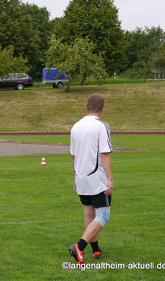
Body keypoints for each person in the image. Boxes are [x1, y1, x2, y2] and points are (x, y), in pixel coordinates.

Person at [69, 93, 114, 264]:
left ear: (86, 106)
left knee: (89, 214)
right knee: (103, 216)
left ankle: (96, 251)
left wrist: (75, 177)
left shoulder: (75, 126)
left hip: (81, 177)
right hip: (97, 179)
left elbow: (73, 155)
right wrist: (109, 179)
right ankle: (79, 247)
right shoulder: (102, 126)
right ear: (103, 108)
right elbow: (104, 153)